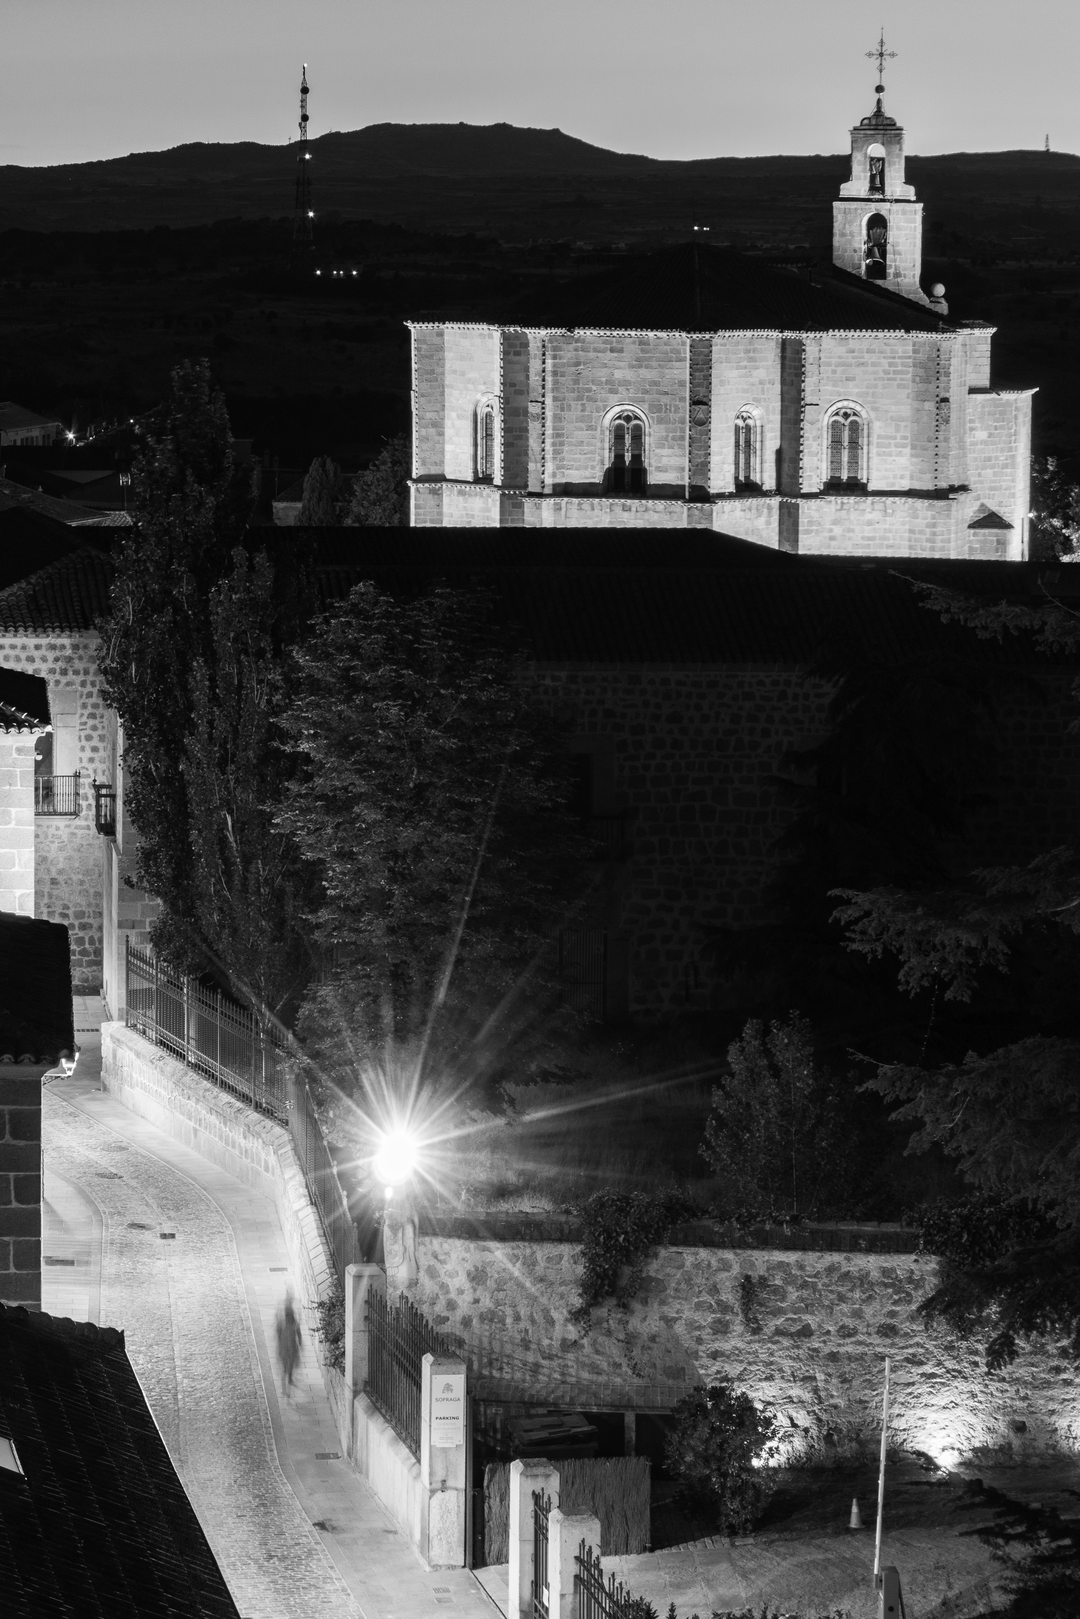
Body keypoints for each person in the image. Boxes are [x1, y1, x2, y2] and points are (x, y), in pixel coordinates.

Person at [275, 1290, 302, 1398]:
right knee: (288, 1368)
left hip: (285, 1349)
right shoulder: (294, 1325)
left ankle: (285, 1388)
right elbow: (299, 1335)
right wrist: (300, 1344)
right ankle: (287, 1385)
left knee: (285, 1369)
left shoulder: (283, 1324)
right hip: (290, 1349)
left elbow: (278, 1335)